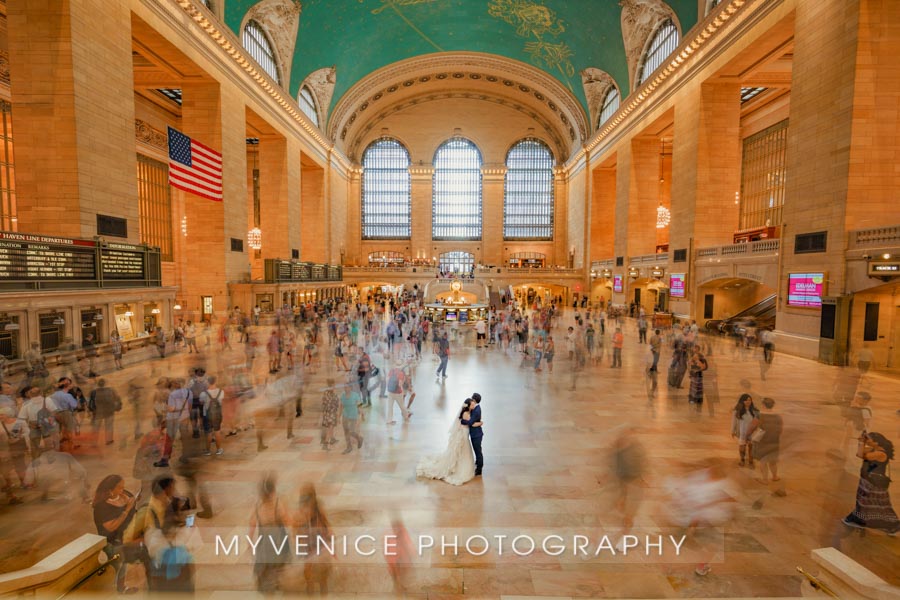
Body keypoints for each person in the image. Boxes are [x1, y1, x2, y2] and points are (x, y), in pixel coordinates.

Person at [841, 431, 899, 535]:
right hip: (868, 481)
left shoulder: (880, 453)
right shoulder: (874, 449)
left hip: (874, 484)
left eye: (869, 440)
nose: (867, 441)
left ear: (876, 442)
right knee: (867, 503)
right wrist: (862, 441)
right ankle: (859, 519)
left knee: (880, 505)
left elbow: (861, 455)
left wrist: (862, 442)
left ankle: (892, 524)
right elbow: (860, 453)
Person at [92, 474, 140, 594]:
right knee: (118, 565)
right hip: (112, 541)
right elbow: (111, 527)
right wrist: (127, 509)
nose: (123, 490)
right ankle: (118, 589)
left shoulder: (125, 495)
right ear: (110, 490)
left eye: (123, 486)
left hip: (125, 537)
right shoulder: (101, 507)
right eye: (119, 487)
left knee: (123, 563)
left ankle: (119, 587)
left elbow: (133, 507)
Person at [415, 399, 476, 485]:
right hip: (463, 434)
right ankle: (460, 468)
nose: (474, 406)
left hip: (464, 432)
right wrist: (480, 422)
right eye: (472, 405)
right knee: (464, 450)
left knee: (464, 451)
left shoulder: (467, 412)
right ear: (468, 406)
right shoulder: (466, 414)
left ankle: (459, 465)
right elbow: (471, 423)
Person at [249, 474, 291, 592]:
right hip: (278, 539)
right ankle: (276, 581)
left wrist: (250, 543)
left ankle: (266, 582)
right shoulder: (278, 505)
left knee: (265, 561)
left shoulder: (257, 506)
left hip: (264, 540)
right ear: (273, 491)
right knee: (278, 561)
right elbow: (287, 521)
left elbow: (252, 525)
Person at [296, 484, 333, 595]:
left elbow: (325, 521)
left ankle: (320, 586)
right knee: (308, 568)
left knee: (321, 570)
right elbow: (297, 525)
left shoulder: (318, 508)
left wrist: (330, 532)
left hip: (318, 539)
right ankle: (311, 586)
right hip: (309, 540)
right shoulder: (302, 508)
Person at [749, 398, 784, 487]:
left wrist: (748, 435)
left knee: (763, 462)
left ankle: (765, 480)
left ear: (763, 405)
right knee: (773, 461)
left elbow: (752, 427)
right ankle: (775, 476)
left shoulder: (759, 416)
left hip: (763, 442)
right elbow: (780, 430)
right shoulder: (778, 417)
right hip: (774, 441)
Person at [731, 394, 760, 468]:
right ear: (742, 401)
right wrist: (732, 431)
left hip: (752, 433)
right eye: (746, 400)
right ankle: (742, 459)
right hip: (742, 433)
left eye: (749, 400)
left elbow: (758, 422)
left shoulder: (755, 411)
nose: (748, 401)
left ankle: (751, 462)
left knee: (751, 448)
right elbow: (733, 421)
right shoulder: (737, 411)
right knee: (742, 448)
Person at [461, 392, 484, 476]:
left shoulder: (476, 410)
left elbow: (470, 422)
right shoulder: (475, 408)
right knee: (477, 450)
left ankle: (479, 469)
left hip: (476, 435)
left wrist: (462, 421)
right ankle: (478, 463)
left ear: (474, 400)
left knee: (478, 452)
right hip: (475, 433)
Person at [339, 383, 363, 454]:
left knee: (351, 431)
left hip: (353, 416)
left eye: (347, 387)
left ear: (351, 388)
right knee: (346, 432)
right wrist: (338, 416)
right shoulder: (343, 396)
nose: (346, 389)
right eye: (345, 387)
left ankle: (359, 438)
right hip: (345, 416)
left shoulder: (355, 395)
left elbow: (359, 405)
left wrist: (362, 413)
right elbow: (341, 406)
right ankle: (349, 447)